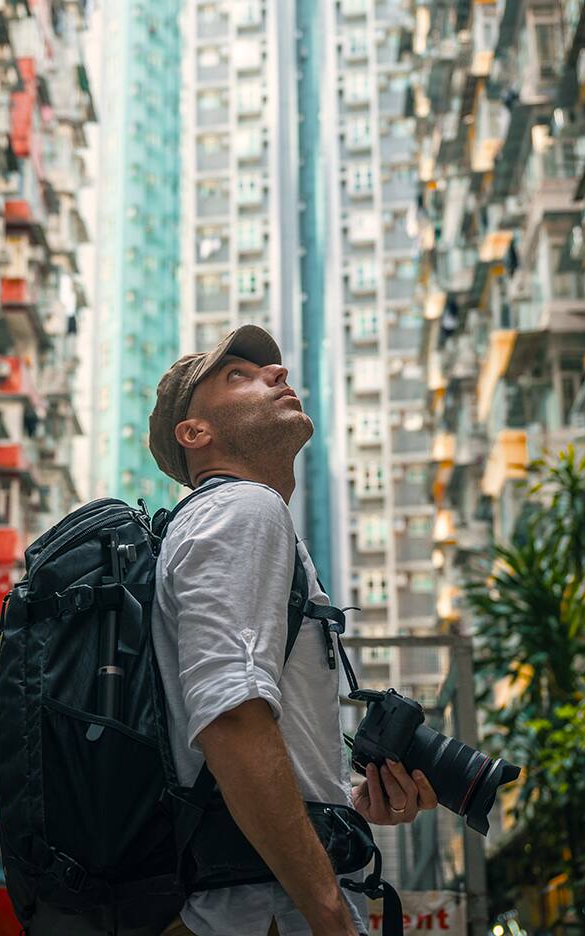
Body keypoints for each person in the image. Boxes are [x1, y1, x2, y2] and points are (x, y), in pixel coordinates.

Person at [148, 325, 438, 936]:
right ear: (195, 433)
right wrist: (328, 914)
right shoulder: (241, 509)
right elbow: (229, 714)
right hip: (263, 914)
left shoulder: (241, 518)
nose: (276, 373)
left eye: (269, 368)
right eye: (238, 376)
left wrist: (347, 803)